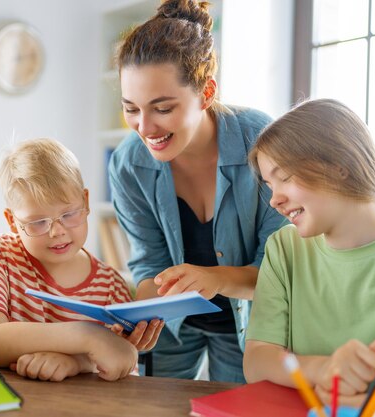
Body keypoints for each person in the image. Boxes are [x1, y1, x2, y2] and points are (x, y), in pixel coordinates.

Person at [108, 0, 287, 382]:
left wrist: (217, 278)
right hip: (172, 328)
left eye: (162, 108)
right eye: (131, 108)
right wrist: (139, 315)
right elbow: (148, 263)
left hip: (252, 328)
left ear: (206, 92)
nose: (145, 127)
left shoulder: (262, 143)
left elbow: (282, 270)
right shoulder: (127, 164)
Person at [0, 138, 163, 382]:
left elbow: (122, 359)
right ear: (12, 221)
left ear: (85, 202)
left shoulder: (111, 285)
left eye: (68, 214)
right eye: (38, 222)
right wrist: (87, 337)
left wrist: (76, 362)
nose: (57, 231)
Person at [243, 98, 375, 407]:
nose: (274, 200)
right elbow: (256, 361)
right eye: (269, 185)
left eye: (285, 178)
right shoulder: (284, 248)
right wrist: (324, 370)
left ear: (340, 165)